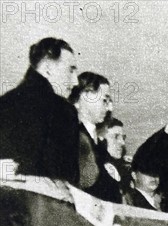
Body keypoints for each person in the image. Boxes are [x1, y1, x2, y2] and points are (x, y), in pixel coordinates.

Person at [0, 37, 79, 183]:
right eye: (71, 70)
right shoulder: (64, 110)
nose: (76, 82)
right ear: (48, 67)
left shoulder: (4, 102)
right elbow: (67, 184)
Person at [69, 72, 121, 203]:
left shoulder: (100, 146)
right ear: (82, 97)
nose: (110, 107)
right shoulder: (71, 137)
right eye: (105, 99)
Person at [98, 117, 132, 198]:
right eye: (116, 136)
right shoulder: (95, 168)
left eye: (123, 138)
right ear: (100, 139)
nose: (122, 142)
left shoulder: (125, 168)